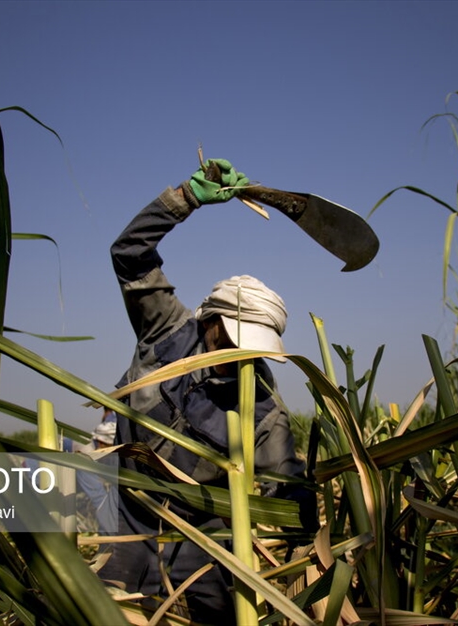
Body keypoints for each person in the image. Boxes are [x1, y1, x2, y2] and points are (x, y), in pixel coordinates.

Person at [100, 158, 316, 622]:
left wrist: (307, 526)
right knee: (106, 610)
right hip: (124, 511)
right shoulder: (166, 330)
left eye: (253, 347)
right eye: (235, 340)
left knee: (222, 613)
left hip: (197, 534)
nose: (241, 355)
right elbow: (129, 253)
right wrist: (184, 200)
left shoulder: (263, 405)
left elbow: (286, 481)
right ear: (212, 320)